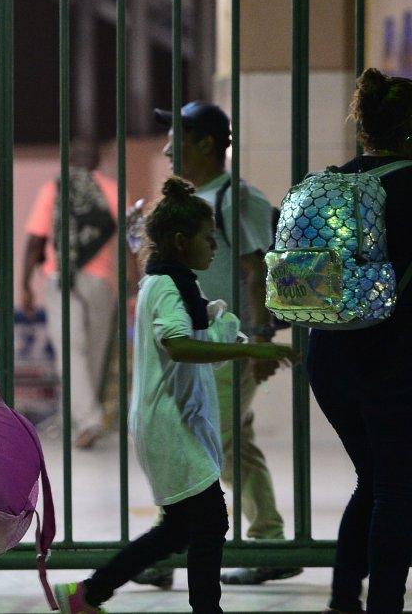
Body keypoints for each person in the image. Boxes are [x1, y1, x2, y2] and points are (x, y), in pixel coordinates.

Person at [53, 177, 297, 614]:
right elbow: (179, 345)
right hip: (169, 425)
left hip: (172, 423)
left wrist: (240, 334)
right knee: (209, 522)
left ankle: (88, 594)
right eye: (208, 239)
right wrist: (251, 348)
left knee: (179, 528)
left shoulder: (180, 283)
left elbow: (205, 328)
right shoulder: (166, 287)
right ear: (182, 242)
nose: (216, 247)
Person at [132, 102, 297, 589]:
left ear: (206, 143)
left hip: (225, 345)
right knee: (223, 443)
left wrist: (261, 338)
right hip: (197, 347)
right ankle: (266, 540)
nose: (166, 147)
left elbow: (257, 269)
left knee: (206, 444)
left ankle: (172, 550)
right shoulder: (184, 200)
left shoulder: (236, 198)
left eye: (177, 136)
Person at [306, 68, 412, 614]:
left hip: (327, 358)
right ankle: (385, 603)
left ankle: (344, 597)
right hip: (392, 359)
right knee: (397, 488)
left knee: (372, 477)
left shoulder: (333, 181)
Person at [22, 141, 120, 448]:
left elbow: (36, 240)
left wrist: (24, 285)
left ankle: (86, 419)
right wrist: (132, 286)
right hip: (101, 281)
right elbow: (130, 242)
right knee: (94, 352)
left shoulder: (54, 189)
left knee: (70, 351)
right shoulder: (113, 191)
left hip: (62, 277)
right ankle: (83, 420)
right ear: (97, 160)